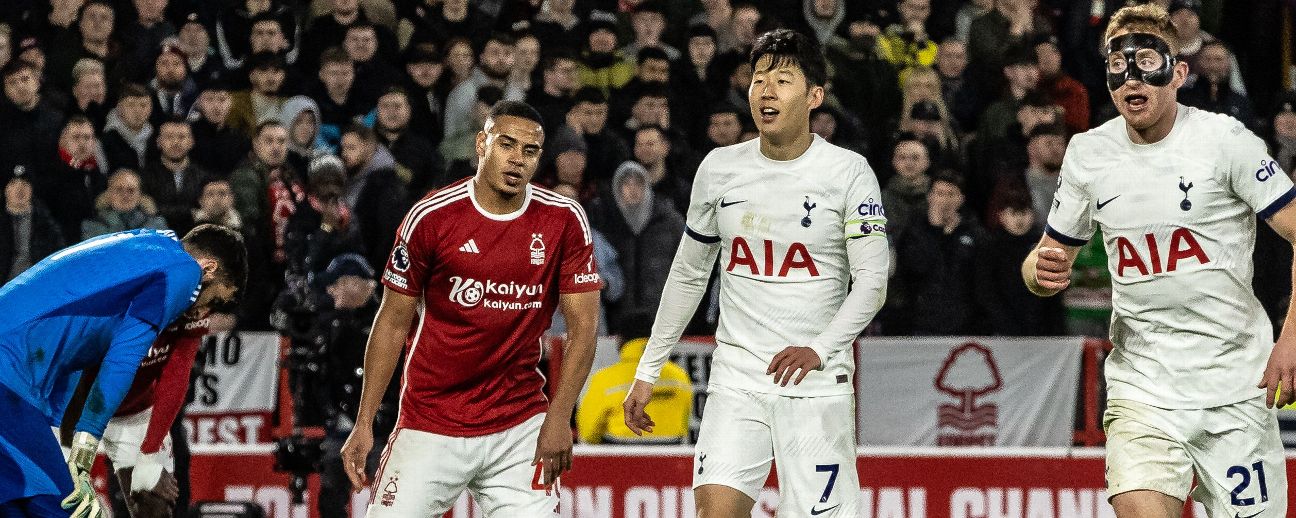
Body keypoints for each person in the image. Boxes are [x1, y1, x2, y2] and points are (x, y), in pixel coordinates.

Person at [1022, 5, 1296, 517]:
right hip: (1143, 387)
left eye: (1146, 61)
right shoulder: (1088, 153)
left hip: (1234, 385)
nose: (1131, 78)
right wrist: (1037, 272)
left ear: (1179, 72)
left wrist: (1291, 337)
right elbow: (1047, 257)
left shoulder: (1225, 141)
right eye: (1117, 68)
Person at [623, 29, 889, 517]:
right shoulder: (720, 169)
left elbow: (873, 281)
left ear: (814, 97)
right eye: (758, 79)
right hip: (737, 378)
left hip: (816, 384)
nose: (766, 91)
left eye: (783, 80)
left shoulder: (848, 173)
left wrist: (820, 348)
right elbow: (688, 274)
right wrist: (648, 369)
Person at [339, 101, 603, 516]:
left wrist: (559, 418)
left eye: (529, 151)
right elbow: (391, 323)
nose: (517, 159)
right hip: (430, 420)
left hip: (519, 425)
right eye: (506, 145)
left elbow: (584, 329)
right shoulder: (432, 217)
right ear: (482, 144)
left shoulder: (564, 220)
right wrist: (365, 420)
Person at [0, 224, 246, 517]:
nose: (205, 310)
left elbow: (76, 339)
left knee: (17, 504)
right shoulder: (185, 271)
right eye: (215, 299)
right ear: (209, 269)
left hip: (18, 366)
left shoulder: (151, 242)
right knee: (68, 509)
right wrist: (86, 442)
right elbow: (123, 357)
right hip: (10, 371)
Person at [577, 311, 692, 445]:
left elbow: (587, 432)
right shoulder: (679, 376)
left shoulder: (604, 379)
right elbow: (685, 423)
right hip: (670, 458)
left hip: (619, 459)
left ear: (620, 341)